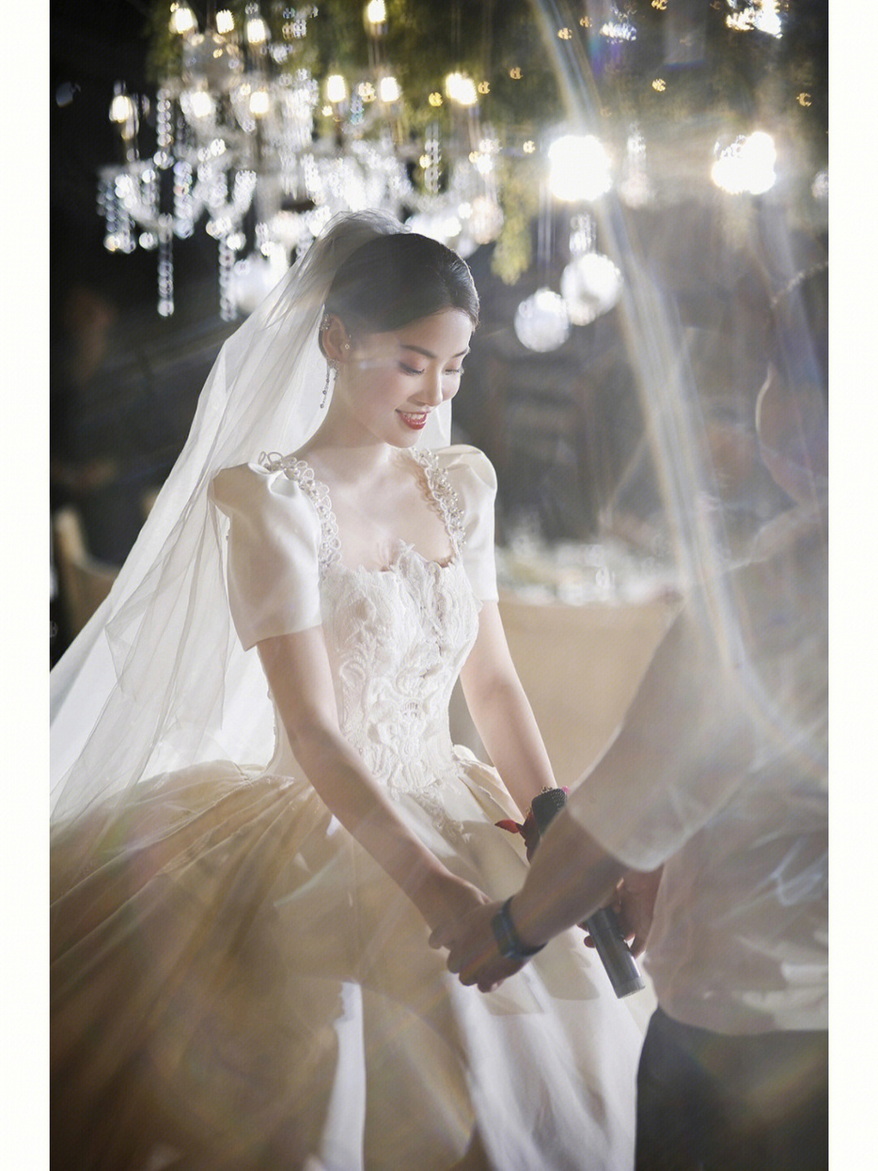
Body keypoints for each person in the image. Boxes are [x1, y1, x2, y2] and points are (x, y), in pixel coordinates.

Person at [50, 212, 644, 1170]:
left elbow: (493, 682)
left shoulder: (460, 486)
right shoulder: (272, 501)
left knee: (556, 1086)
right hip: (324, 825)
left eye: (453, 367)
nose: (435, 393)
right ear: (335, 340)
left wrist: (551, 822)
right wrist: (436, 892)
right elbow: (314, 732)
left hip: (459, 801)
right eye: (411, 363)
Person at [436, 356, 828, 1170]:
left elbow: (630, 809)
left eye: (777, 368)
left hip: (753, 1018)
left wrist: (512, 930)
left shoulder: (771, 601)